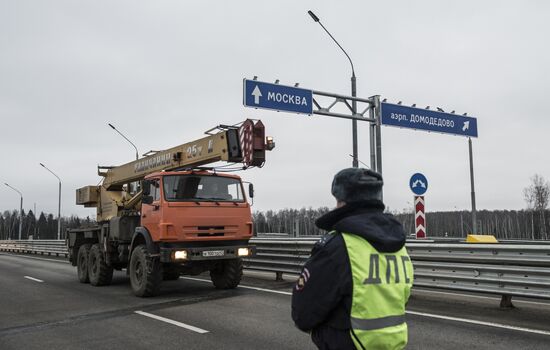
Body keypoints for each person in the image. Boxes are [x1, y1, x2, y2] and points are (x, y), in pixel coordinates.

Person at [291, 168, 413, 350]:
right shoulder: (399, 245)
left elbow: (304, 313)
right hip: (393, 345)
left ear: (341, 200)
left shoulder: (338, 247)